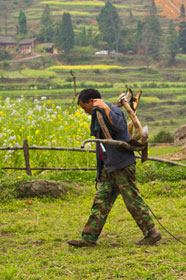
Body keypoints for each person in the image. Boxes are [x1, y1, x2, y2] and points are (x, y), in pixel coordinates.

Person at [67, 88, 161, 247]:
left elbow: (120, 128)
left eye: (85, 107)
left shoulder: (113, 111)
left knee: (132, 199)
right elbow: (101, 147)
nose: (85, 112)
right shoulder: (97, 116)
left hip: (122, 164)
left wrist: (105, 108)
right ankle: (89, 237)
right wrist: (100, 170)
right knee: (101, 201)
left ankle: (152, 232)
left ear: (92, 101)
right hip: (109, 167)